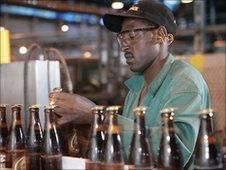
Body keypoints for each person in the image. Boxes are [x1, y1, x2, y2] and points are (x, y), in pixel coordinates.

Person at [50, 0, 211, 168]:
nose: (124, 46)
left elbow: (174, 153)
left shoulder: (184, 83)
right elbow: (129, 150)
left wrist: (98, 117)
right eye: (122, 37)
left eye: (132, 35)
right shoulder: (137, 86)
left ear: (161, 35)